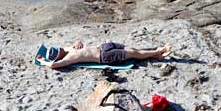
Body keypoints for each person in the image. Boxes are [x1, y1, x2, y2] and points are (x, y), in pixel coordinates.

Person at [36, 41, 171, 69]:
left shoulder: (66, 49)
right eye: (56, 51)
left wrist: (78, 42)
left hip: (104, 46)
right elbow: (53, 65)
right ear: (58, 56)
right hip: (105, 57)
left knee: (133, 49)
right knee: (133, 54)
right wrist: (43, 61)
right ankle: (158, 52)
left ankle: (156, 55)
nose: (58, 48)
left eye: (56, 48)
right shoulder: (68, 58)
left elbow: (78, 41)